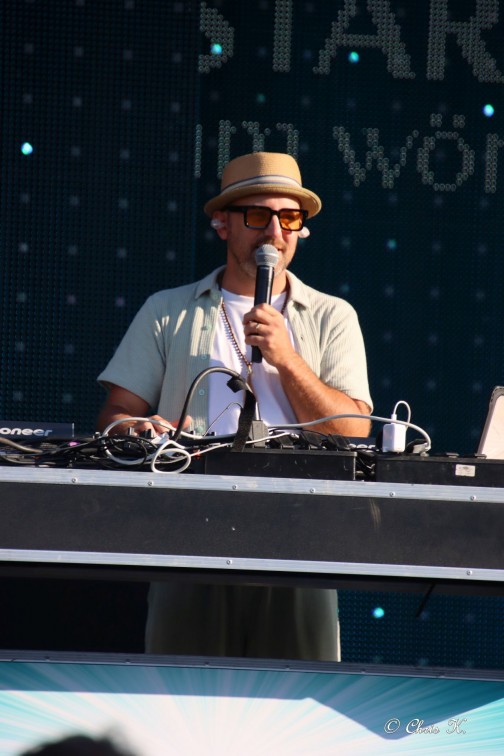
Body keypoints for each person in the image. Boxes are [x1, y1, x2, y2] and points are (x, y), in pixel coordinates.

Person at [97, 151, 373, 661]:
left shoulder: (332, 316)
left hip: (302, 539)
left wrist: (287, 359)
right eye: (258, 215)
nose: (274, 232)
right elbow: (115, 416)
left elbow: (354, 431)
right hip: (188, 535)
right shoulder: (168, 311)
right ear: (222, 223)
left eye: (289, 218)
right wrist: (140, 430)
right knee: (186, 692)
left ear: (302, 229)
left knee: (296, 695)